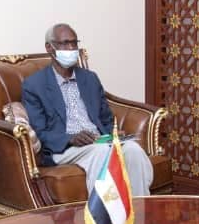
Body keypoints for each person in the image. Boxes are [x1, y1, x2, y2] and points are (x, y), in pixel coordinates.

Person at [22, 23, 154, 195]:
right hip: (64, 148)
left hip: (99, 140)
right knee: (101, 152)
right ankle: (102, 211)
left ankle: (139, 208)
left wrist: (113, 133)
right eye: (65, 43)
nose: (71, 48)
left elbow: (105, 118)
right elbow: (40, 132)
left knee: (132, 150)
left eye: (74, 43)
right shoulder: (34, 85)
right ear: (49, 47)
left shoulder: (90, 79)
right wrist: (70, 139)